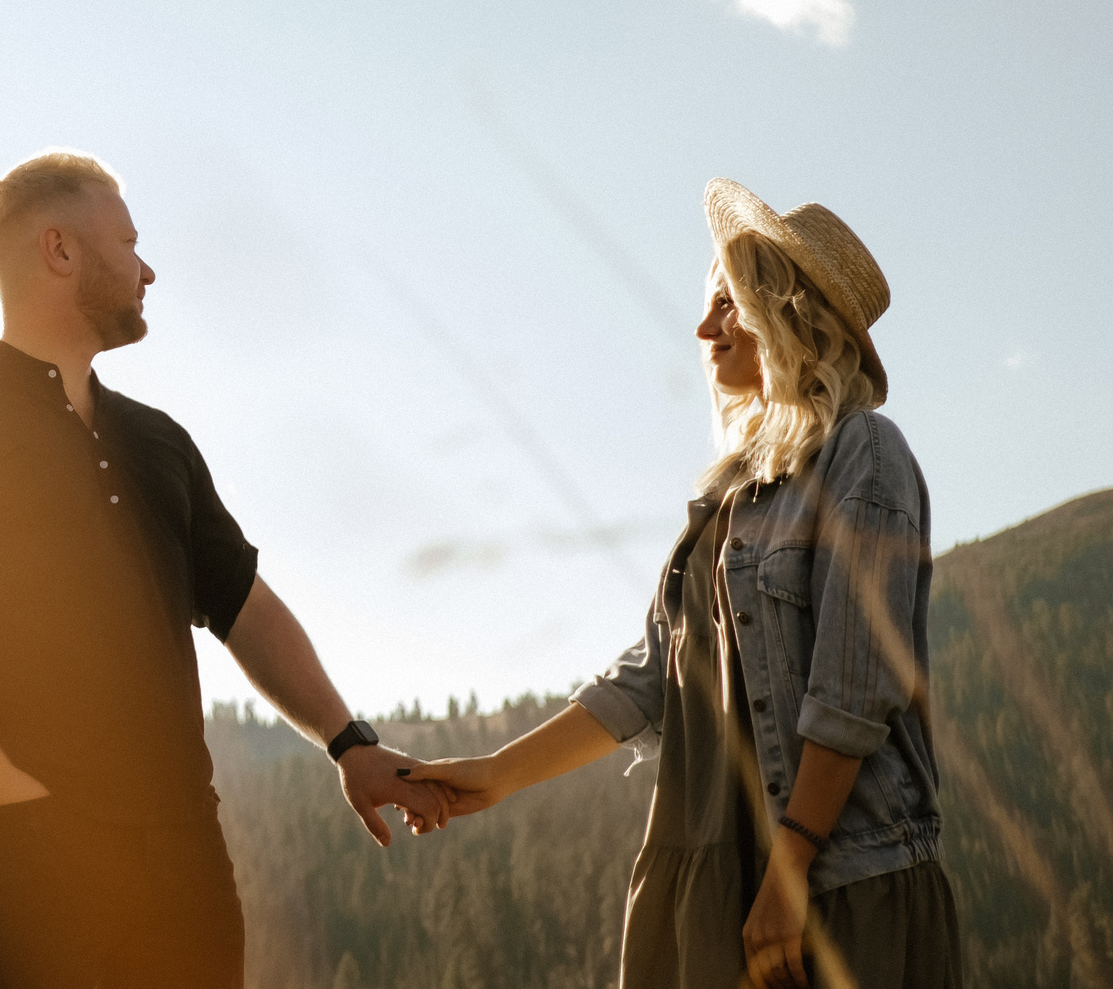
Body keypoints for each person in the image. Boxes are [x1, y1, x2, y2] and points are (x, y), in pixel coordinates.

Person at [0, 150, 445, 988]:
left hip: (183, 869)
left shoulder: (159, 442)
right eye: (127, 242)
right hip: (26, 864)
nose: (148, 267)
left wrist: (349, 743)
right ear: (58, 249)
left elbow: (244, 605)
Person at [403, 179, 965, 989]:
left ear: (789, 309)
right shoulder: (726, 502)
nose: (704, 328)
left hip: (841, 884)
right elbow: (652, 676)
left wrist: (789, 870)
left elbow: (852, 691)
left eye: (726, 303)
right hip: (740, 888)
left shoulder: (864, 453)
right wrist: (495, 772)